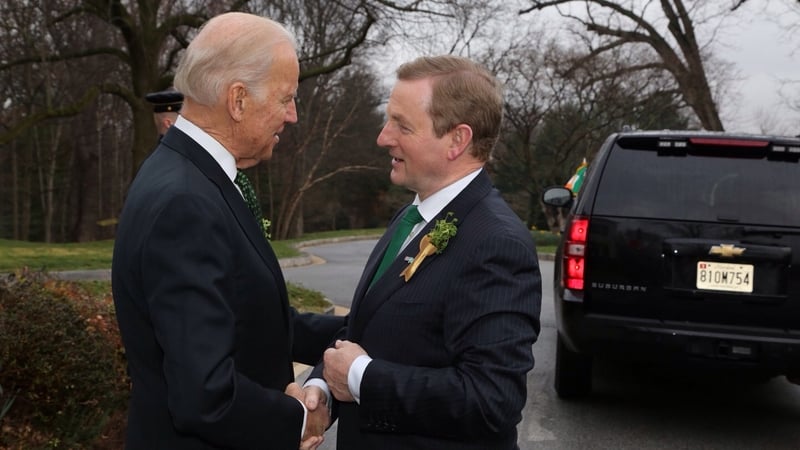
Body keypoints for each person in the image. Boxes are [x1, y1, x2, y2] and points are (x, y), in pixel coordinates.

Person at [112, 12, 343, 450]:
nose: (292, 116)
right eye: (285, 98)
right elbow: (204, 397)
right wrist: (299, 419)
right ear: (238, 100)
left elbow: (245, 317)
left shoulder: (191, 176)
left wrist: (364, 330)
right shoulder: (187, 203)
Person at [306, 55, 542, 449]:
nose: (383, 137)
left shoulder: (497, 243)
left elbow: (491, 400)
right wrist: (323, 387)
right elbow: (368, 330)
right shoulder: (413, 216)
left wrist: (361, 377)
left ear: (457, 140)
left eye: (402, 124)